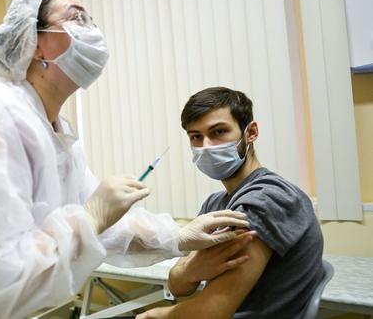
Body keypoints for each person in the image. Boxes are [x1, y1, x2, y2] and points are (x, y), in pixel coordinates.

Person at [0, 0, 249, 319]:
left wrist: (177, 236)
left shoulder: (56, 134)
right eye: (77, 18)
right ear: (35, 42)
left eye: (92, 21)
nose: (93, 31)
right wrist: (92, 215)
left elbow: (110, 228)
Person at [137, 87, 324, 319]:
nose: (206, 145)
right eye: (196, 136)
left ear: (251, 132)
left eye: (218, 132)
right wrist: (188, 271)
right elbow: (177, 286)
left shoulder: (266, 199)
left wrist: (157, 315)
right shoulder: (215, 204)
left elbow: (211, 313)